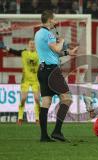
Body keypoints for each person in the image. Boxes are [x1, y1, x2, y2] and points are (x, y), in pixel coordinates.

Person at [34, 10, 78, 142]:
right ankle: (57, 131)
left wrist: (68, 52)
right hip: (52, 71)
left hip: (42, 70)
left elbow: (53, 53)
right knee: (67, 98)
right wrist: (62, 41)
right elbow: (57, 49)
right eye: (54, 19)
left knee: (46, 101)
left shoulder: (38, 33)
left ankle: (44, 136)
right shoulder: (48, 34)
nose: (56, 21)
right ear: (49, 20)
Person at [1, 39, 40, 126]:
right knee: (23, 100)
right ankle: (20, 118)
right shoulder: (24, 52)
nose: (32, 45)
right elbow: (14, 51)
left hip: (35, 80)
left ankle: (37, 118)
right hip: (25, 80)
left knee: (37, 99)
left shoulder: (39, 54)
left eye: (33, 44)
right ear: (28, 45)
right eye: (31, 44)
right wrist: (5, 47)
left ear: (35, 45)